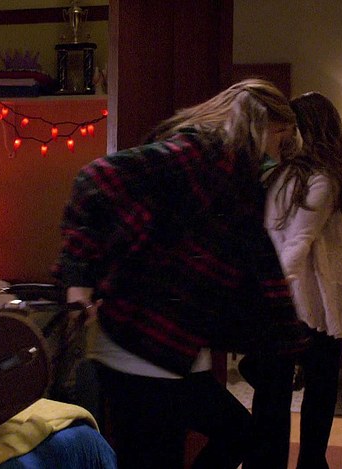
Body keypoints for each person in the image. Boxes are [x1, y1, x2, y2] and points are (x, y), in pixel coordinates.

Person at [54, 79, 308, 469]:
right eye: (281, 139)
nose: (277, 153)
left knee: (239, 433)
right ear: (265, 126)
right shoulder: (196, 157)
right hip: (138, 345)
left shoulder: (233, 179)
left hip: (173, 347)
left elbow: (246, 257)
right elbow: (97, 178)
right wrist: (78, 281)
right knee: (177, 452)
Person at [259, 91, 342, 469]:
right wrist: (273, 293)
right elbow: (297, 243)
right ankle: (311, 463)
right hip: (313, 298)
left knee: (276, 393)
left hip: (295, 294)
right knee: (319, 389)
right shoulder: (322, 179)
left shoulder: (284, 175)